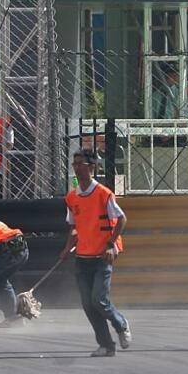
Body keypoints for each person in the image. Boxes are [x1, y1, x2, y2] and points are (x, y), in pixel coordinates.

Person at [60, 149, 131, 357]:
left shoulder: (103, 193)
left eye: (81, 163)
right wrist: (67, 247)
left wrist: (111, 244)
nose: (77, 167)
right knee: (87, 304)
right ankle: (106, 345)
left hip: (102, 255)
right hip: (82, 256)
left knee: (98, 299)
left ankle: (121, 324)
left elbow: (122, 219)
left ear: (92, 167)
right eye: (74, 164)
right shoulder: (72, 197)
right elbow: (73, 225)